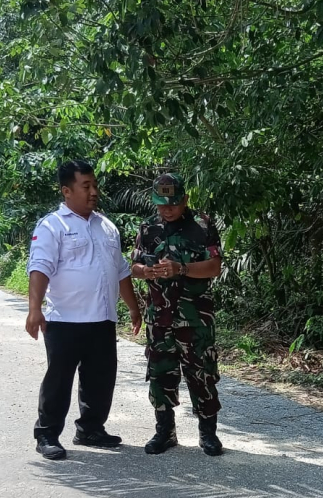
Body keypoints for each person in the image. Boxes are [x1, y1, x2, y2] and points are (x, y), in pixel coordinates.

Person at [25, 160, 142, 460]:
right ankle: (47, 434)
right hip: (65, 320)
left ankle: (90, 429)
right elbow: (40, 267)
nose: (93, 192)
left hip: (102, 318)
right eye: (85, 186)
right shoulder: (53, 226)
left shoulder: (107, 226)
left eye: (95, 185)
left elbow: (121, 270)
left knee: (101, 378)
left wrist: (133, 307)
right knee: (59, 379)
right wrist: (34, 309)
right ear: (67, 191)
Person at [131, 173, 224, 456]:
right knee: (160, 373)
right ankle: (165, 432)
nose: (166, 209)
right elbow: (133, 266)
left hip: (195, 317)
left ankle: (208, 434)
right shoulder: (148, 228)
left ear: (184, 199)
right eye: (161, 204)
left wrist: (181, 269)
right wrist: (145, 272)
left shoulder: (203, 225)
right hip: (159, 317)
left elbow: (215, 266)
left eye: (172, 203)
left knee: (201, 374)